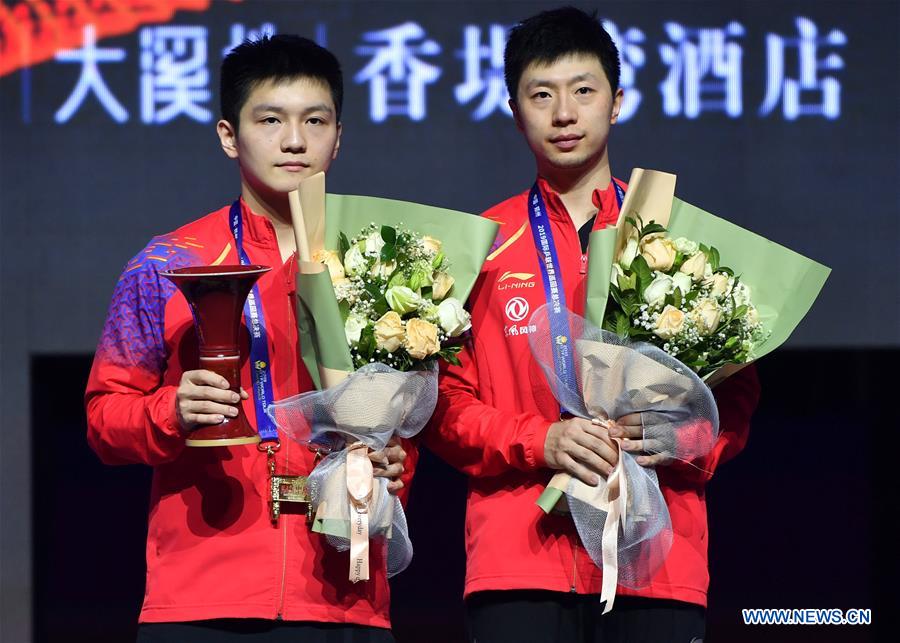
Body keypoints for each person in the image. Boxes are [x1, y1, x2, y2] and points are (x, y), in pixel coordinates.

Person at [426, 8, 760, 642]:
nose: (564, 114)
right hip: (519, 556)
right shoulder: (478, 249)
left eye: (584, 90)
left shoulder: (677, 242)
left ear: (617, 102)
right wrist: (538, 441)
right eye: (541, 95)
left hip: (656, 556)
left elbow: (735, 392)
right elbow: (442, 406)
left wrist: (688, 439)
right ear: (513, 109)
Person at [86, 35, 411, 642]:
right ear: (229, 135)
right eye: (271, 120)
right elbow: (104, 418)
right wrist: (169, 411)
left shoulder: (382, 270)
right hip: (203, 593)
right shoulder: (165, 264)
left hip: (344, 594)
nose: (294, 140)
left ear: (338, 136)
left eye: (315, 121)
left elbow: (401, 414)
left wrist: (393, 462)